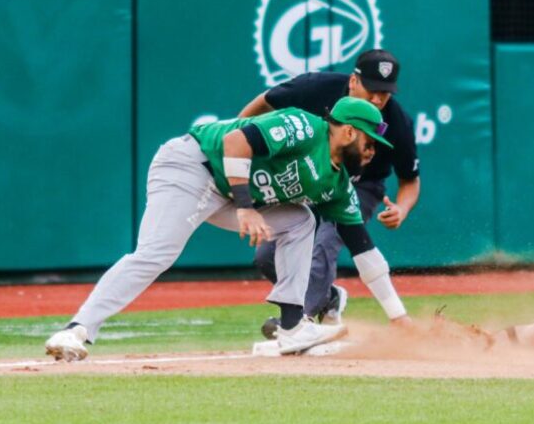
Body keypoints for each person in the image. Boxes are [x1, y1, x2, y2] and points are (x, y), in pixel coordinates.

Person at [44, 97, 410, 362]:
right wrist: (247, 207)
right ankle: (76, 330)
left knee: (301, 220)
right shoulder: (304, 126)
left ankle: (292, 326)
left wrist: (399, 318)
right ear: (347, 131)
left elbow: (363, 249)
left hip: (229, 193)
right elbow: (236, 141)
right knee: (156, 254)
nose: (374, 151)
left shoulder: (337, 184)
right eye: (370, 141)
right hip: (192, 167)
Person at [240, 49, 420, 334]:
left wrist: (402, 208)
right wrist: (240, 135)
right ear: (353, 81)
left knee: (326, 241)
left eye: (384, 93)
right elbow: (266, 101)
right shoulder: (315, 88)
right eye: (372, 89)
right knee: (266, 256)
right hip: (311, 179)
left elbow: (410, 179)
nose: (377, 99)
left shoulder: (396, 123)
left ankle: (301, 321)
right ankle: (329, 298)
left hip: (361, 185)